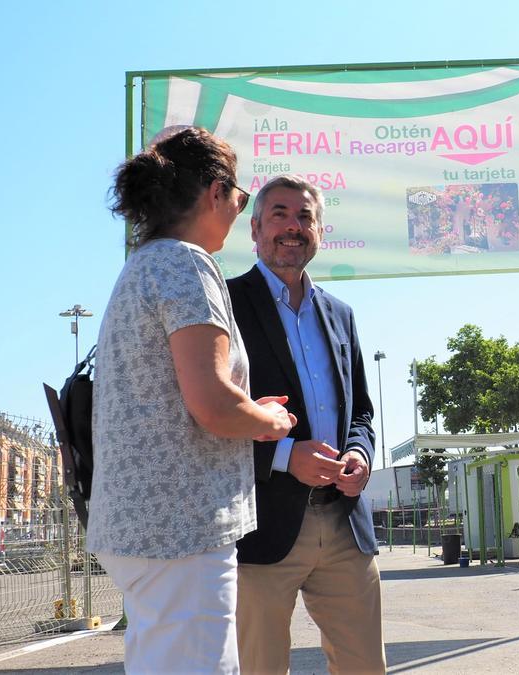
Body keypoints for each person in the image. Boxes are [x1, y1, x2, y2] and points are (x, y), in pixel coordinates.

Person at [88, 126, 296, 674]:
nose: (237, 210)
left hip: (145, 527)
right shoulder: (187, 263)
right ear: (214, 192)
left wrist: (245, 407)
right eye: (240, 198)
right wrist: (268, 418)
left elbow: (185, 394)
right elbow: (214, 406)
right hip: (182, 527)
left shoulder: (143, 265)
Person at [227, 175, 384, 675]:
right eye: (279, 215)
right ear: (254, 229)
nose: (293, 228)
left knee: (364, 667)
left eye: (304, 217)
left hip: (344, 526)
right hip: (261, 530)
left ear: (319, 231)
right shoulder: (225, 304)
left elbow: (361, 411)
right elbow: (202, 416)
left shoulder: (341, 315)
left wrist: (359, 454)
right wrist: (282, 456)